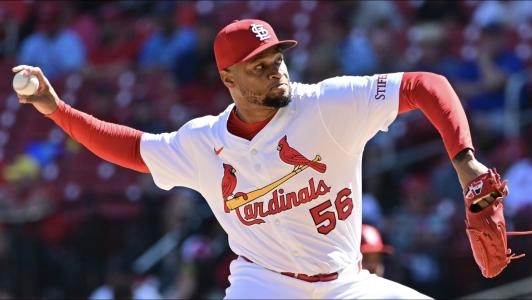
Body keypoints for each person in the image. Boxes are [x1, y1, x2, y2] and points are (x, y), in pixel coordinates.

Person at [13, 18, 497, 299]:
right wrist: (57, 111)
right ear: (229, 81)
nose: (276, 72)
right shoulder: (203, 143)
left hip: (345, 282)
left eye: (278, 59)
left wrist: (465, 162)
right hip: (265, 286)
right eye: (260, 67)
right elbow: (131, 148)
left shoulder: (326, 105)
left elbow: (425, 86)